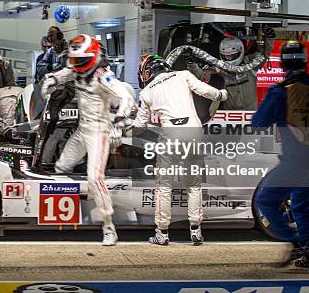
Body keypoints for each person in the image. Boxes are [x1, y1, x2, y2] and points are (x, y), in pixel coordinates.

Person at [41, 34, 136, 246]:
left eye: (80, 60)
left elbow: (126, 97)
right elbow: (64, 73)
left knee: (95, 178)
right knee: (61, 168)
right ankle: (67, 217)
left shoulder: (103, 75)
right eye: (74, 60)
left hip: (100, 132)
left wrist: (119, 123)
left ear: (92, 56)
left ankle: (108, 226)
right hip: (81, 130)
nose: (76, 64)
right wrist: (51, 80)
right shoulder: (76, 69)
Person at [253, 41, 309, 270]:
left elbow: (259, 123)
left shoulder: (281, 91)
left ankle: (296, 242)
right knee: (300, 205)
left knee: (266, 200)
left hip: (297, 160)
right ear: (306, 61)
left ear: (282, 63)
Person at [134, 55, 228, 246]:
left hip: (170, 135)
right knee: (193, 185)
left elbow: (139, 125)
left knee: (164, 186)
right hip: (193, 131)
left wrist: (121, 127)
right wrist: (222, 95)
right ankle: (196, 231)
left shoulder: (146, 93)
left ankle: (162, 233)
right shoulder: (183, 75)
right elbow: (207, 91)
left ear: (148, 72)